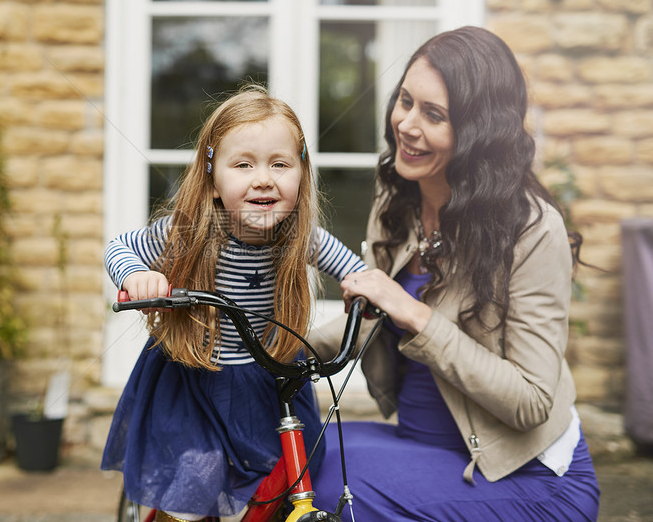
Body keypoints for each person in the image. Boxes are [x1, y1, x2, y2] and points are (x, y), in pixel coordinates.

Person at [310, 26, 600, 521]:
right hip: (422, 445)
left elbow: (531, 400)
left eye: (435, 115)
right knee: (284, 450)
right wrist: (283, 348)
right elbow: (374, 318)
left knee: (320, 491)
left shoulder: (531, 230)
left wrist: (416, 315)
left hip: (523, 476)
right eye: (406, 101)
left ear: (479, 134)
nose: (407, 124)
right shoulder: (398, 196)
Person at [102, 85, 366, 521]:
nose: (263, 178)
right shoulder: (189, 231)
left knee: (280, 480)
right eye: (243, 164)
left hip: (268, 380)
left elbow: (356, 271)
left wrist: (367, 288)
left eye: (279, 164)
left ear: (301, 174)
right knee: (191, 489)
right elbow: (120, 247)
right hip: (195, 380)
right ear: (212, 179)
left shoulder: (300, 237)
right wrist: (137, 275)